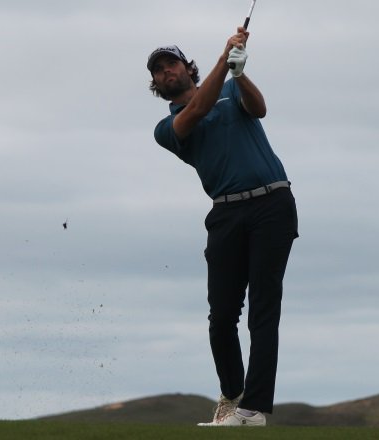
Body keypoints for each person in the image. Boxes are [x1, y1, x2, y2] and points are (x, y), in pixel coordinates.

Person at [148, 27, 298, 427]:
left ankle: (254, 410)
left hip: (272, 203)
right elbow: (197, 110)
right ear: (156, 84)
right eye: (158, 71)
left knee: (263, 312)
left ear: (186, 67)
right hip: (226, 214)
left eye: (171, 64)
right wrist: (223, 59)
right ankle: (232, 399)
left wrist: (239, 73)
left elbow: (260, 108)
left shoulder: (231, 90)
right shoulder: (168, 127)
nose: (166, 73)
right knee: (222, 316)